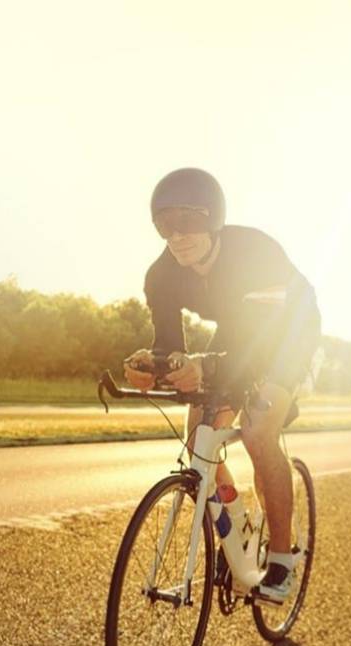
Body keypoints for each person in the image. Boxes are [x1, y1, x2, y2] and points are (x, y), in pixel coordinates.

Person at [123, 167, 321, 603]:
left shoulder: (256, 252)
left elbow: (263, 344)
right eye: (165, 224)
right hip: (239, 331)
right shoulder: (162, 276)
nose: (177, 235)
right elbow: (170, 347)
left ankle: (282, 559)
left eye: (189, 220)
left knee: (257, 429)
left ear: (214, 220)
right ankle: (238, 528)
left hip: (288, 330)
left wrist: (206, 367)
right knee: (199, 436)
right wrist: (147, 366)